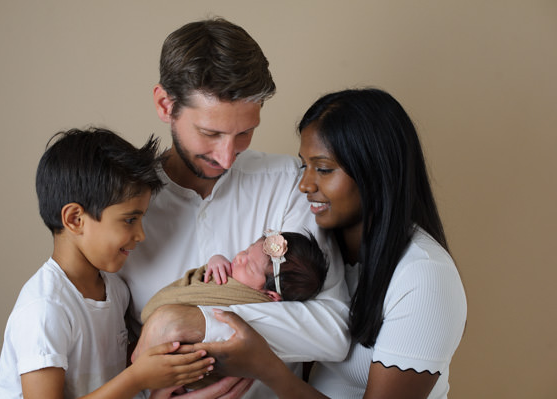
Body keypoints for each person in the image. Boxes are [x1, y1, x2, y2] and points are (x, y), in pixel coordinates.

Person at [118, 17, 350, 398]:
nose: (227, 157)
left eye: (244, 132)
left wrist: (185, 321)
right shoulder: (124, 206)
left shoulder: (289, 183)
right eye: (210, 134)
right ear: (165, 105)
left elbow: (331, 330)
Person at [192, 88, 468, 399]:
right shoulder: (316, 258)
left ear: (374, 172)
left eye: (323, 169)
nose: (305, 185)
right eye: (304, 166)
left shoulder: (424, 276)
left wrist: (267, 368)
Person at [0, 128, 215, 399]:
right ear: (75, 219)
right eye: (130, 220)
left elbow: (105, 377)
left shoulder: (115, 290)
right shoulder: (45, 308)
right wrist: (138, 377)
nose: (141, 235)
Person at [140, 230, 329, 322]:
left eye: (249, 267)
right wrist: (215, 259)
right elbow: (200, 279)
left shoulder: (251, 305)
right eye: (247, 250)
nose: (239, 258)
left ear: (270, 295)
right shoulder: (234, 272)